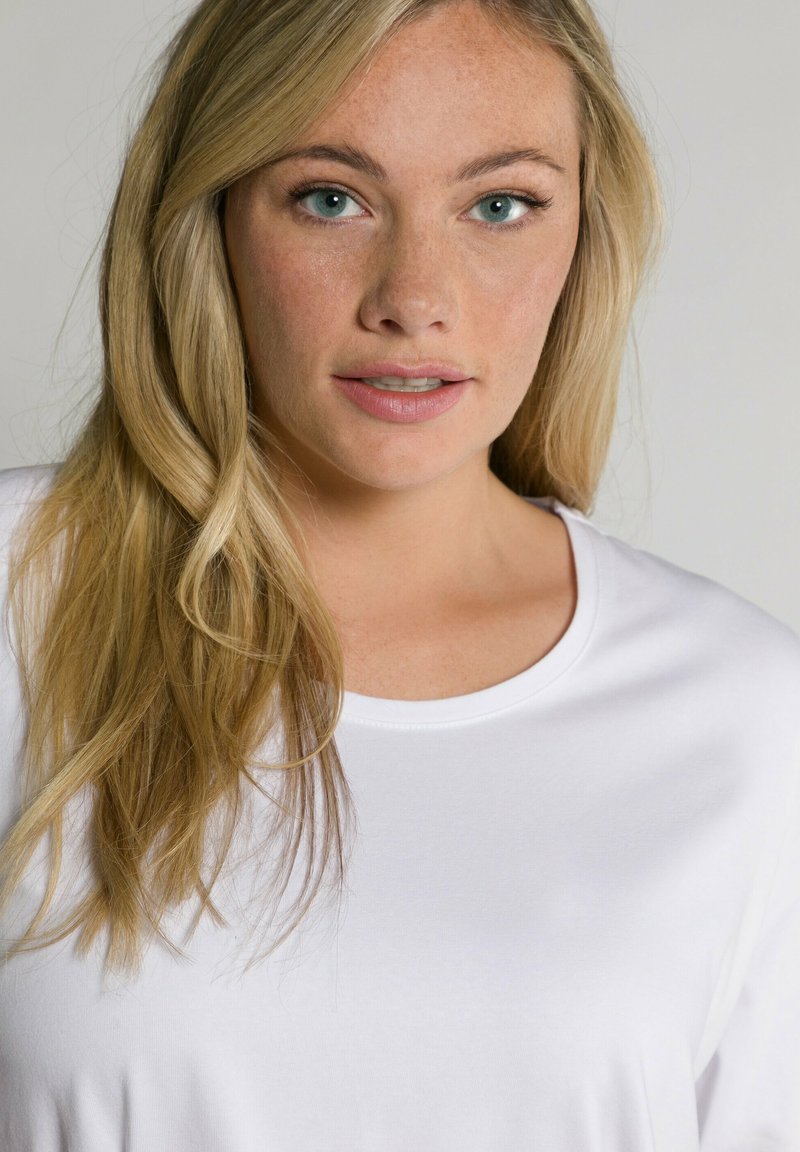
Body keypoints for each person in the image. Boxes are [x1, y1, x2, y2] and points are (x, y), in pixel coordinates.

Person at [1, 0, 798, 1147]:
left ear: (585, 230)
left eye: (498, 205)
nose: (413, 298)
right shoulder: (21, 597)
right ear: (209, 215)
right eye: (330, 198)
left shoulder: (746, 714)